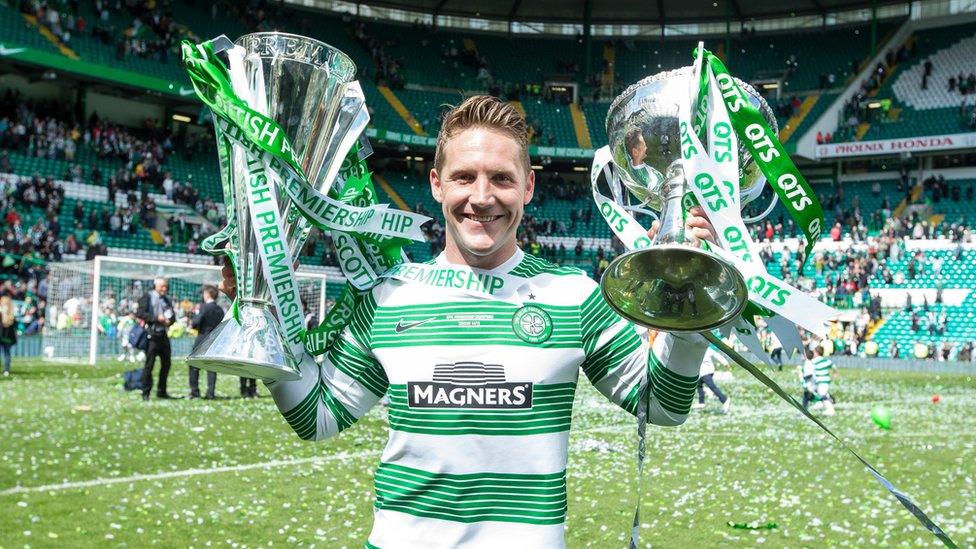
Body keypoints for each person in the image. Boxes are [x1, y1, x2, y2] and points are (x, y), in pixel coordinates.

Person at [222, 96, 718, 548]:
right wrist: (262, 309)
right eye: (464, 177)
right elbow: (317, 417)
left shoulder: (575, 297)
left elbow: (664, 406)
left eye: (501, 178)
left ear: (527, 186)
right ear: (437, 184)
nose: (482, 197)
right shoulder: (387, 294)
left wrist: (690, 296)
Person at [137, 277, 176, 400]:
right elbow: (140, 313)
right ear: (156, 286)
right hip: (151, 335)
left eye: (166, 286)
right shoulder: (147, 297)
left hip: (163, 335)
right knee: (149, 365)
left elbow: (172, 317)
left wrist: (169, 322)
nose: (164, 289)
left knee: (166, 364)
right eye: (162, 286)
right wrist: (155, 318)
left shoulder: (167, 300)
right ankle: (145, 392)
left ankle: (161, 391)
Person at [188, 285, 224, 399]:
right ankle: (211, 393)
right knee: (211, 367)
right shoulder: (220, 309)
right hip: (214, 340)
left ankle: (195, 392)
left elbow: (196, 322)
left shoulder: (204, 307)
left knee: (194, 365)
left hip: (202, 338)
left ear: (207, 294)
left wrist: (192, 320)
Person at [691, 345, 731, 413]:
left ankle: (724, 400)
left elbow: (717, 356)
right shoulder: (696, 349)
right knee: (698, 384)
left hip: (707, 372)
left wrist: (726, 363)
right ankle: (701, 403)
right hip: (704, 373)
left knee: (712, 387)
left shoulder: (706, 349)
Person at [0, 296, 16, 376]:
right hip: (9, 338)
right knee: (7, 354)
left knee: (5, 354)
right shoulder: (12, 313)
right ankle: (6, 370)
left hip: (1, 336)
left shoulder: (2, 312)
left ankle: (6, 370)